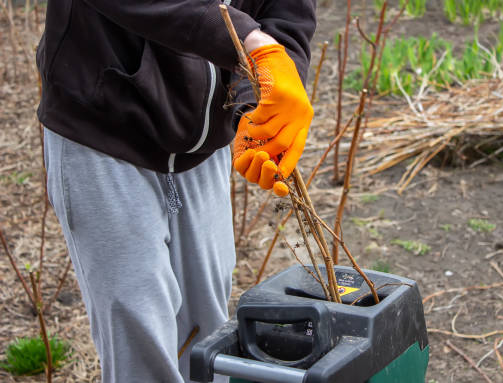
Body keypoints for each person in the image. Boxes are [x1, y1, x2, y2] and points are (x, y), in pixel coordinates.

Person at [36, 1, 316, 382]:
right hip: (104, 129)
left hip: (203, 146)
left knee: (206, 334)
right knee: (139, 332)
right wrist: (248, 41)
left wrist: (264, 91)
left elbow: (285, 13)